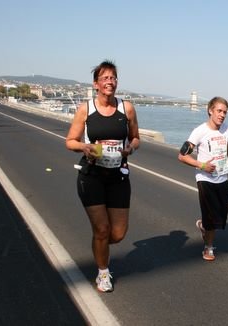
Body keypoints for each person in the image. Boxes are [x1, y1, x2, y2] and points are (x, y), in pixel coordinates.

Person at [65, 60, 140, 292]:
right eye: (105, 78)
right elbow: (70, 141)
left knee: (117, 233)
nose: (110, 81)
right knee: (102, 230)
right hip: (92, 175)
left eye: (113, 77)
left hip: (118, 176)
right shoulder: (86, 109)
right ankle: (103, 272)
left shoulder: (126, 108)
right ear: (96, 84)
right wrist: (84, 148)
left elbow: (136, 137)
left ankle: (99, 247)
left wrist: (130, 148)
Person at [178, 96, 228, 261]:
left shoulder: (226, 129)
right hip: (205, 178)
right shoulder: (200, 131)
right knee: (211, 215)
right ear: (210, 110)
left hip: (222, 178)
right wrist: (202, 166)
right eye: (219, 111)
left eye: (225, 112)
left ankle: (203, 226)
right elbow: (182, 156)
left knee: (222, 214)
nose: (222, 115)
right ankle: (208, 248)